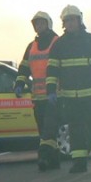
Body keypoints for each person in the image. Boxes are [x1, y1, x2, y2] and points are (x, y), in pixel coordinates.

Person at [46, 5, 91, 173]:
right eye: (67, 21)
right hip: (70, 98)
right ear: (63, 24)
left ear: (79, 20)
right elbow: (52, 69)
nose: (70, 23)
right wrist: (51, 90)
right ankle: (79, 163)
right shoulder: (59, 45)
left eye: (73, 20)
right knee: (76, 131)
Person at [15, 11, 62, 171]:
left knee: (49, 129)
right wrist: (19, 83)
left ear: (48, 24)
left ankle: (43, 158)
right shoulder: (31, 46)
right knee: (44, 131)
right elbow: (24, 67)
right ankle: (54, 161)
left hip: (55, 95)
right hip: (38, 97)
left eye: (41, 23)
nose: (38, 26)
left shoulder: (57, 43)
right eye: (36, 24)